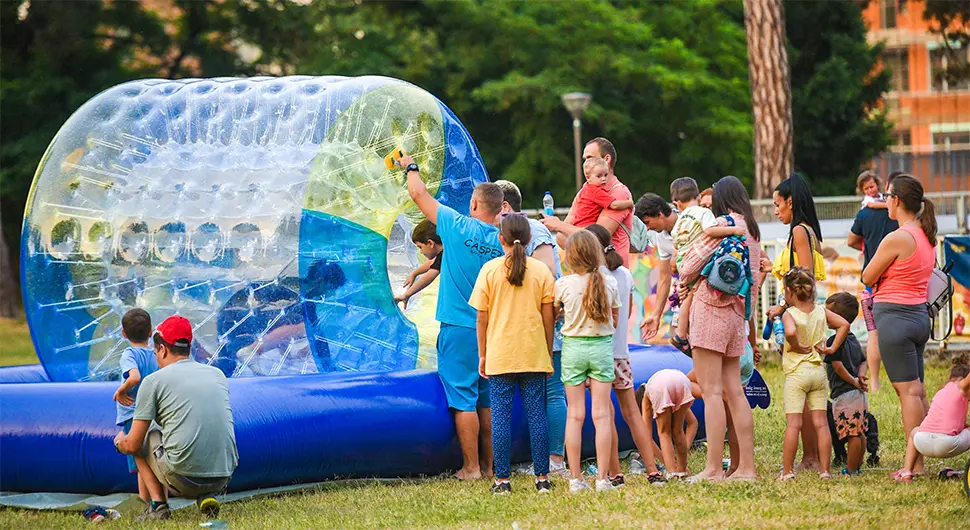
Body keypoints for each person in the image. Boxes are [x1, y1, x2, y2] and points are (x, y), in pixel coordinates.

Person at [399, 153, 504, 480]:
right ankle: (490, 467)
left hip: (459, 329)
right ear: (500, 210)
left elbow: (418, 194)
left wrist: (410, 166)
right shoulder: (504, 242)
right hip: (493, 331)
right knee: (487, 401)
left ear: (474, 204)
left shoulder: (456, 226)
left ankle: (470, 467)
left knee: (463, 400)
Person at [676, 176, 762, 481]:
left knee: (712, 392)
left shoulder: (723, 225)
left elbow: (686, 268)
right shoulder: (752, 231)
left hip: (710, 313)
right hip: (737, 317)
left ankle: (713, 469)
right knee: (735, 391)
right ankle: (746, 469)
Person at [113, 316, 238, 521]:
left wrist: (119, 442)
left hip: (183, 480)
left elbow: (134, 444)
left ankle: (159, 506)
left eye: (155, 353)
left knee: (143, 436)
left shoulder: (153, 381)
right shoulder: (217, 374)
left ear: (161, 349)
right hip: (223, 478)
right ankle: (206, 495)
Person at [469, 214, 555, 495]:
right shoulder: (541, 271)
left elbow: (481, 318)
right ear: (530, 239)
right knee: (537, 416)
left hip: (500, 355)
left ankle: (502, 480)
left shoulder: (490, 270)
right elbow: (548, 318)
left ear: (500, 238)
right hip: (533, 354)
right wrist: (547, 352)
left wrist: (483, 355)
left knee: (500, 419)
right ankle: (543, 477)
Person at [862, 174, 937, 476]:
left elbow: (868, 276)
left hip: (895, 319)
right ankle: (924, 454)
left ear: (896, 200)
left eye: (887, 195)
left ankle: (915, 466)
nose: (884, 200)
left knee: (907, 393)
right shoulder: (925, 234)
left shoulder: (897, 238)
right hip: (918, 317)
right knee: (917, 391)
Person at [494, 179, 567, 475]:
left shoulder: (534, 231)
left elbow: (548, 272)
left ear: (506, 208)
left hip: (546, 328)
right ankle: (545, 459)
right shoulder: (520, 233)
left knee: (552, 393)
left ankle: (555, 459)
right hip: (533, 329)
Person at [586, 224, 664, 486]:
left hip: (597, 354)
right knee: (632, 413)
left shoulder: (591, 276)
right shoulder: (625, 275)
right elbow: (627, 314)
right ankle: (653, 470)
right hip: (621, 354)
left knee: (604, 415)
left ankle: (615, 473)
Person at [767, 172, 826, 471]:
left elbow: (805, 279)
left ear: (790, 202)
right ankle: (814, 456)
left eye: (778, 204)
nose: (776, 211)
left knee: (800, 395)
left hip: (799, 321)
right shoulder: (807, 230)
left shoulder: (800, 232)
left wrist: (783, 309)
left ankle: (811, 457)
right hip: (803, 316)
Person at [555, 230, 621, 493]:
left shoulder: (563, 284)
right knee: (602, 415)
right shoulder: (610, 283)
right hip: (601, 349)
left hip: (573, 349)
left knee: (575, 414)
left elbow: (554, 315)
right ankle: (603, 479)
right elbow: (613, 321)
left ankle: (575, 479)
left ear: (570, 257)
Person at [777, 268, 850, 481]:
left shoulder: (789, 313)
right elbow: (844, 324)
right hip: (818, 372)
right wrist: (831, 348)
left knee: (794, 424)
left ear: (789, 291)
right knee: (821, 423)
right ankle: (825, 470)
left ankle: (788, 471)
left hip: (797, 374)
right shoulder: (820, 311)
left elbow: (789, 332)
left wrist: (797, 345)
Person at [668, 177, 745, 354]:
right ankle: (681, 333)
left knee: (686, 294)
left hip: (682, 259)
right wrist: (733, 230)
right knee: (690, 294)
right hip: (695, 259)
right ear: (697, 195)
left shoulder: (680, 218)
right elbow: (710, 231)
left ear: (676, 203)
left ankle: (681, 331)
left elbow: (674, 238)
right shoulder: (703, 213)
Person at [540, 137, 634, 267]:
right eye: (584, 160)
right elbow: (561, 239)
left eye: (590, 158)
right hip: (589, 273)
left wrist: (558, 225)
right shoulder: (585, 190)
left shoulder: (619, 193)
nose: (585, 164)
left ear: (606, 160)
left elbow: (596, 238)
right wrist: (567, 230)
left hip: (612, 273)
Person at [848, 171, 902, 392]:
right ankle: (902, 377)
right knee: (899, 329)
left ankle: (876, 383)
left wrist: (865, 247)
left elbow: (851, 240)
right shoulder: (895, 214)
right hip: (897, 278)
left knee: (874, 332)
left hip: (872, 278)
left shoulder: (863, 214)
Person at [893, 356, 970, 483]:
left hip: (922, 442)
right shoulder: (962, 388)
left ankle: (907, 472)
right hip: (946, 444)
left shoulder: (941, 392)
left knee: (914, 431)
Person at [112, 308, 160, 504]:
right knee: (154, 458)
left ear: (123, 333)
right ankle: (153, 500)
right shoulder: (156, 354)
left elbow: (135, 377)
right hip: (155, 413)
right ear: (151, 332)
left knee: (140, 458)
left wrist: (122, 389)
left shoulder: (129, 354)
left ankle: (151, 502)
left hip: (134, 413)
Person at [822, 292, 870, 475]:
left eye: (828, 313)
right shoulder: (853, 339)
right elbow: (863, 361)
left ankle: (850, 469)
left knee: (852, 433)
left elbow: (837, 366)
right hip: (857, 393)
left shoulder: (835, 341)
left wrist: (854, 381)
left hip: (845, 393)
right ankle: (857, 466)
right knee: (859, 431)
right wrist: (861, 376)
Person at [633, 193, 678, 342]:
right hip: (685, 294)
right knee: (679, 339)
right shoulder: (661, 236)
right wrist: (656, 315)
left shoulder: (687, 223)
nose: (647, 228)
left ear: (659, 214)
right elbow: (665, 276)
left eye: (647, 222)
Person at [639, 369, 695, 479]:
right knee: (678, 430)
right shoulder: (668, 398)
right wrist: (679, 457)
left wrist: (668, 462)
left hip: (660, 386)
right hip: (682, 380)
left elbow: (646, 436)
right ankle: (682, 471)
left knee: (664, 432)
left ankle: (672, 473)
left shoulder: (647, 395)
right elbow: (693, 422)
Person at [571, 157, 634, 227]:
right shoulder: (596, 192)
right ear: (588, 177)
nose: (603, 179)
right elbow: (614, 205)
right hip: (587, 228)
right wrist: (629, 203)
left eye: (605, 175)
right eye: (599, 176)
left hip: (578, 225)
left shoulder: (586, 188)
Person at [395, 220, 442, 308]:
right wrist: (414, 273)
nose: (420, 252)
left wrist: (406, 295)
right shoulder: (447, 250)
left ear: (430, 243)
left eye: (420, 247)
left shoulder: (446, 255)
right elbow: (433, 262)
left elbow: (430, 275)